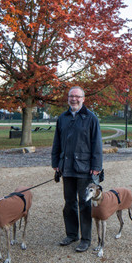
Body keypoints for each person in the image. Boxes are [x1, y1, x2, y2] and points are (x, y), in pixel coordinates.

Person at [51, 86, 103, 252]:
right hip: (67, 168)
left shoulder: (91, 118)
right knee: (69, 203)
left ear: (83, 98)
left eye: (77, 96)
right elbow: (57, 143)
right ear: (68, 98)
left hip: (85, 169)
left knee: (84, 204)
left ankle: (85, 238)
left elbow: (97, 144)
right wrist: (55, 162)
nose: (74, 99)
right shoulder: (63, 118)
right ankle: (72, 234)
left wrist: (96, 167)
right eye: (71, 96)